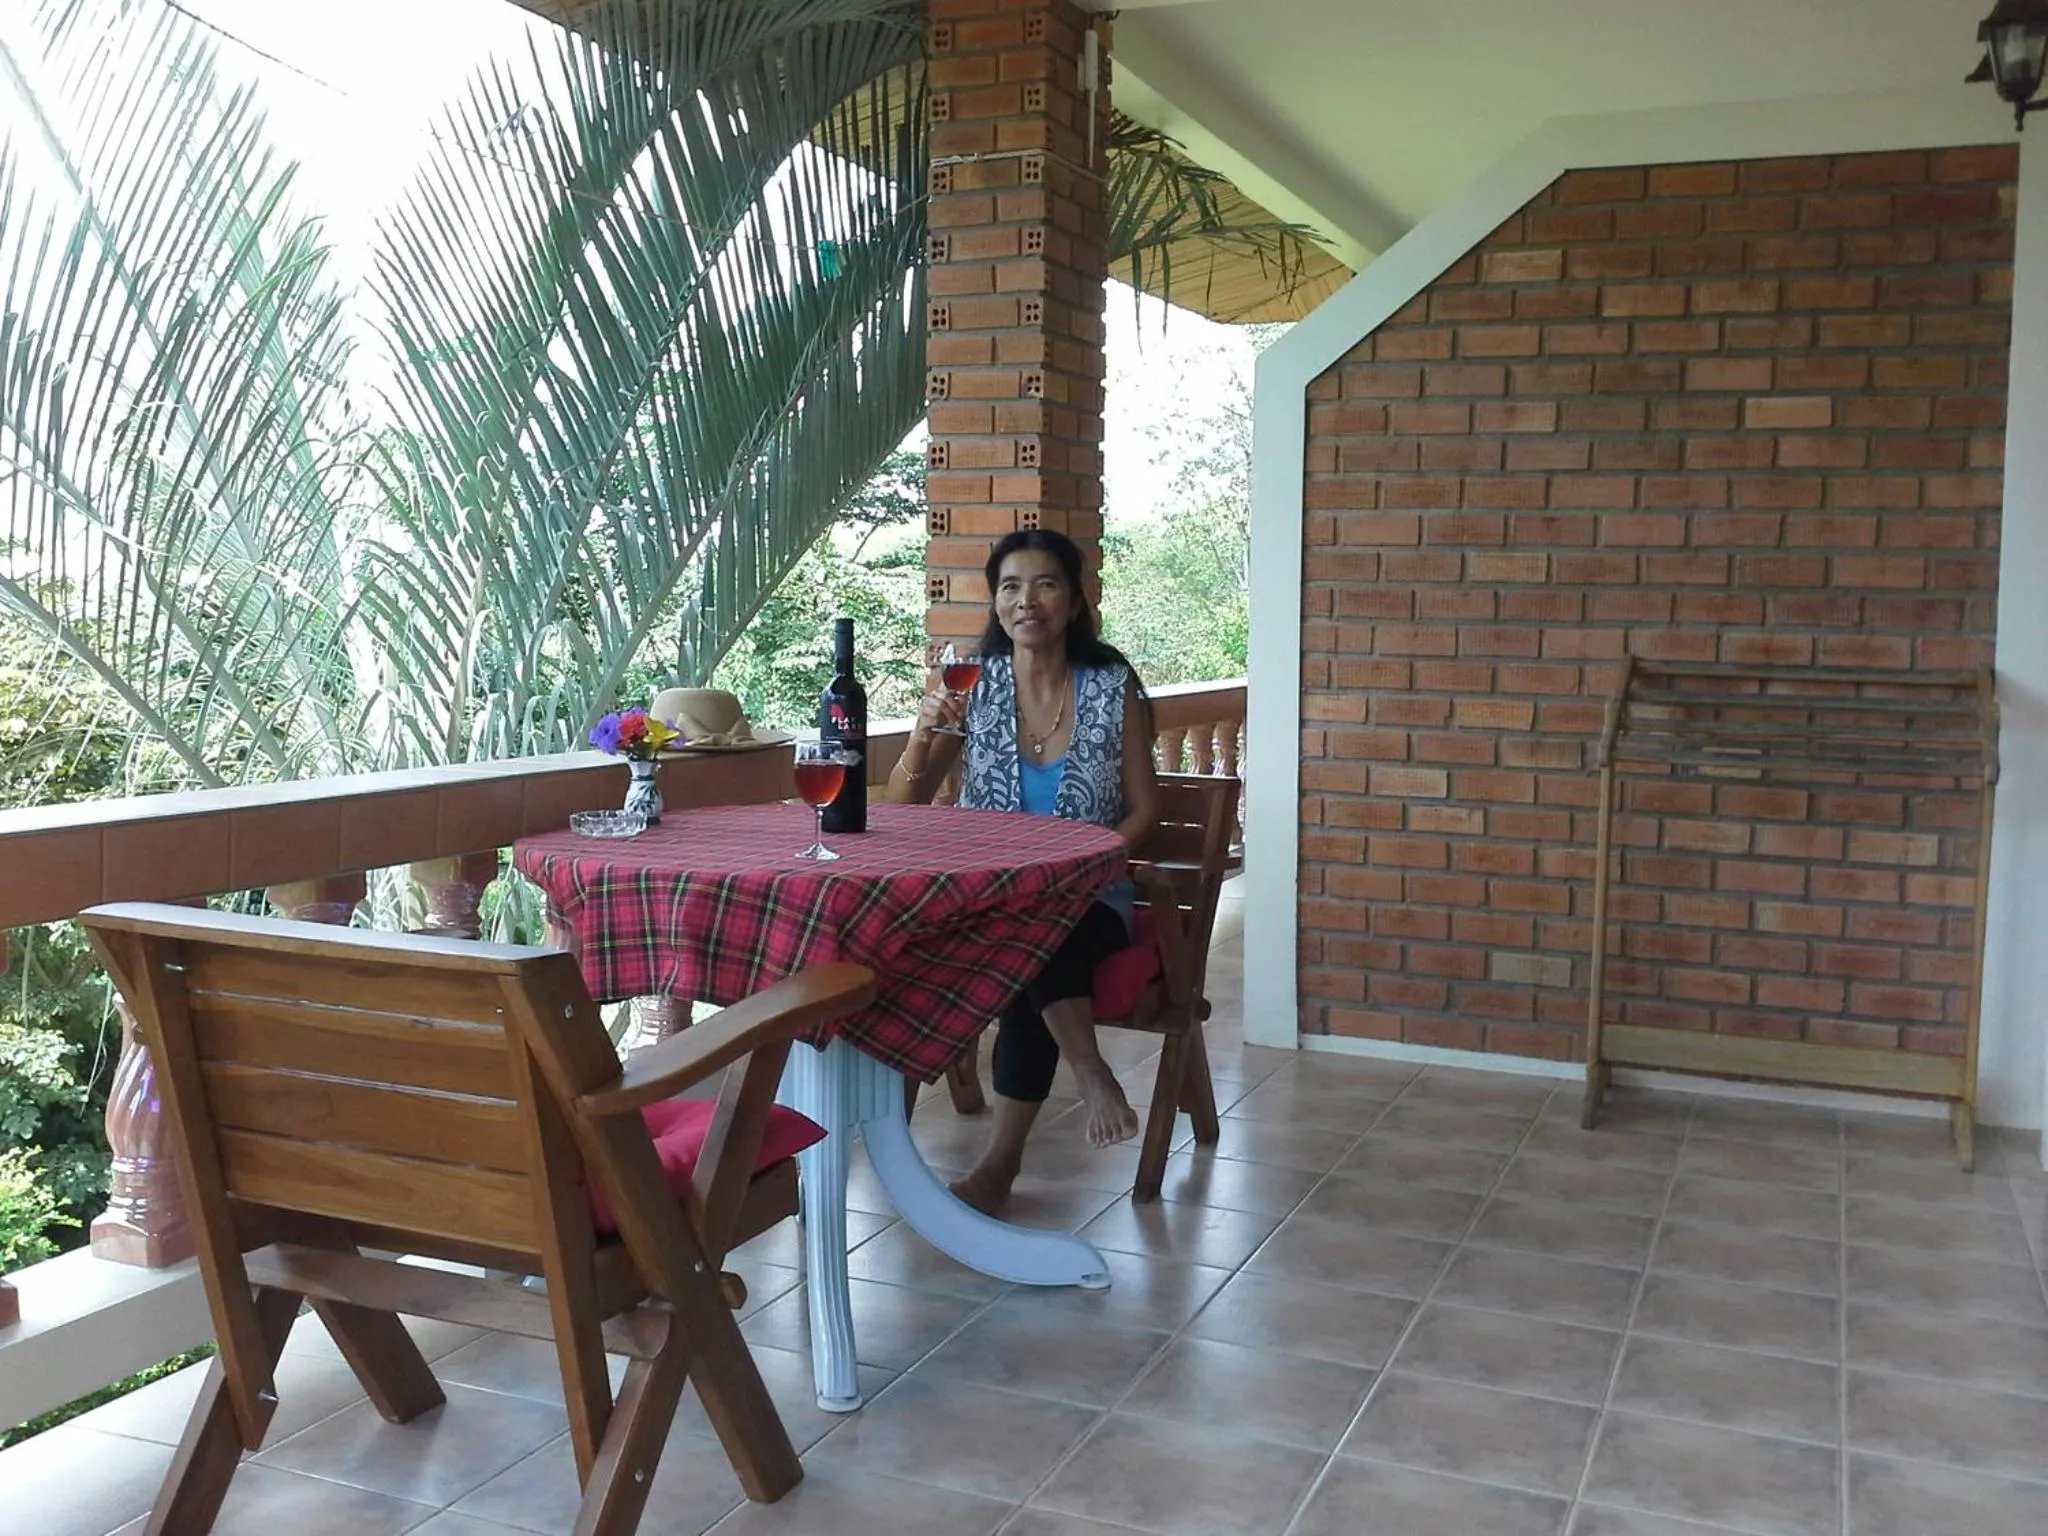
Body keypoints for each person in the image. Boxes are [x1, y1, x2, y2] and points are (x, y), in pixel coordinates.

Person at [887, 529, 1160, 1216]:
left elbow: (1145, 811)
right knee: (994, 933)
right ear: (995, 600)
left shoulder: (1110, 687)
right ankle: (1087, 1069)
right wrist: (925, 732)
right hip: (988, 898)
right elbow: (905, 804)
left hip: (1090, 896)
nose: (1025, 601)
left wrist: (1085, 864)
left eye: (1045, 584)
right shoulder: (969, 685)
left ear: (1074, 600)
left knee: (1037, 933)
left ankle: (1002, 1163)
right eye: (1010, 586)